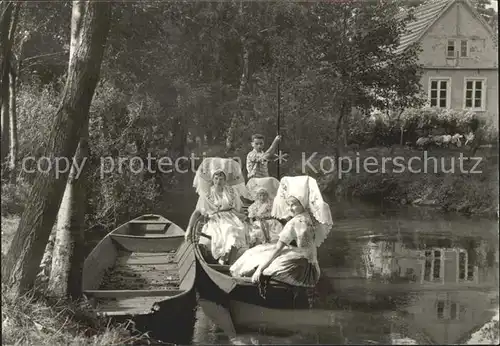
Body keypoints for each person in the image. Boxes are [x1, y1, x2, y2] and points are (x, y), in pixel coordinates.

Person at [230, 175, 333, 288]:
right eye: (288, 205)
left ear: (302, 204)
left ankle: (247, 276)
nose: (289, 209)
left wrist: (260, 269)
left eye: (294, 205)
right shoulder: (310, 217)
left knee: (257, 255)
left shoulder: (294, 223)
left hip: (300, 272)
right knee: (261, 249)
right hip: (314, 269)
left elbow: (277, 250)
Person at [184, 157, 250, 265]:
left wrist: (240, 215)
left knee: (237, 231)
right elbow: (197, 212)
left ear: (225, 180)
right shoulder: (207, 194)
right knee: (229, 230)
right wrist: (189, 229)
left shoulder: (231, 193)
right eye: (216, 178)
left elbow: (240, 210)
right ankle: (223, 260)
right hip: (215, 220)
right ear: (212, 179)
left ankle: (230, 261)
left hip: (232, 217)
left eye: (221, 179)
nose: (218, 181)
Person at [246, 177, 283, 247]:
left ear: (267, 195)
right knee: (257, 232)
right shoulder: (255, 205)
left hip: (270, 221)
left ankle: (273, 245)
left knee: (276, 230)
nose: (262, 197)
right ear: (257, 196)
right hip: (259, 222)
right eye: (260, 195)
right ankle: (259, 245)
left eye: (264, 195)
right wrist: (252, 224)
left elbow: (275, 214)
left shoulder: (270, 204)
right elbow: (250, 217)